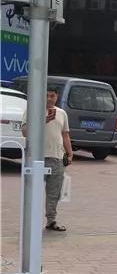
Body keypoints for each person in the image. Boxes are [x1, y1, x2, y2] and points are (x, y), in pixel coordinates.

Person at [21, 86, 73, 232]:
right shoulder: (33, 110)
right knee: (32, 191)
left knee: (54, 192)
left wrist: (69, 153)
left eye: (52, 96)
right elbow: (25, 132)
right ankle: (29, 221)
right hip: (36, 158)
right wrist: (43, 120)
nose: (49, 98)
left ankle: (51, 220)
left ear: (57, 97)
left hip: (56, 158)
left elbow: (65, 135)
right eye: (47, 95)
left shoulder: (62, 113)